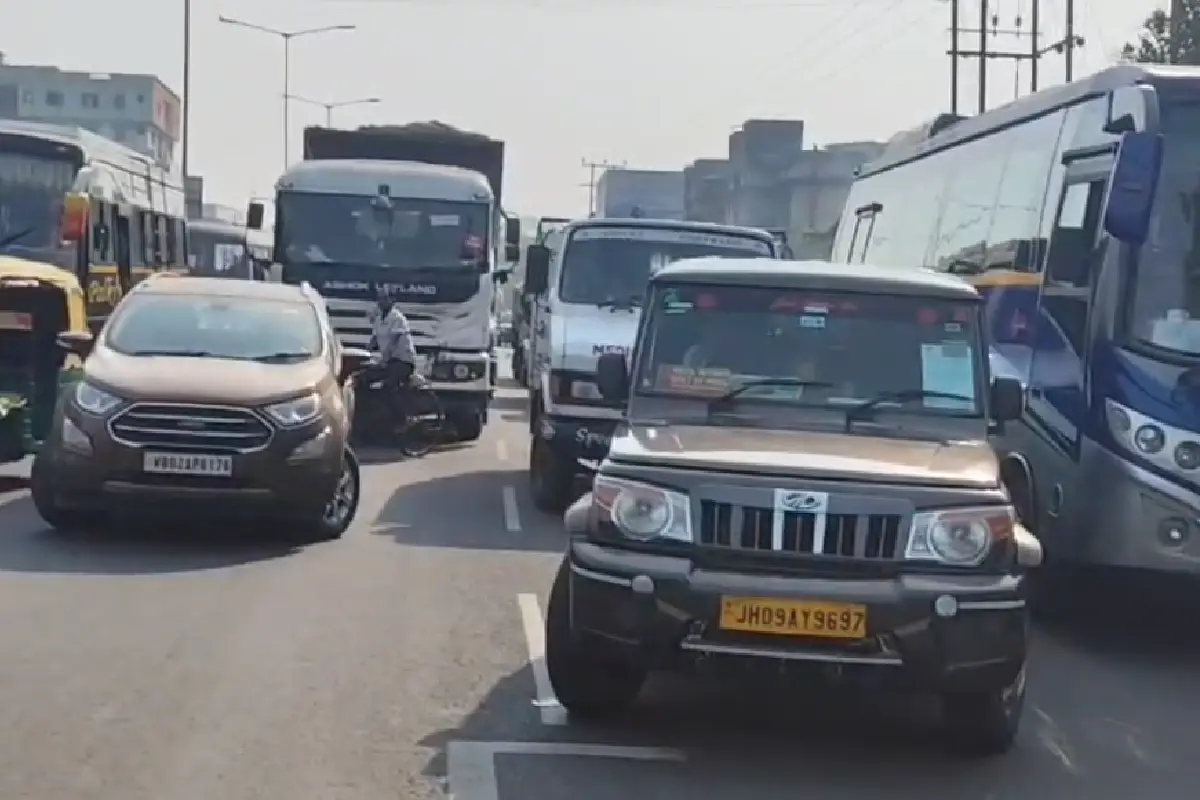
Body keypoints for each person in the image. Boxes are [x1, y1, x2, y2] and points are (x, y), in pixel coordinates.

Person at [369, 285, 419, 424]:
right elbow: (374, 342)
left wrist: (384, 359)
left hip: (402, 361)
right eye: (379, 299)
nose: (382, 302)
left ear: (392, 300)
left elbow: (393, 342)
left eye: (385, 299)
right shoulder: (379, 319)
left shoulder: (397, 318)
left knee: (388, 386)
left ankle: (402, 419)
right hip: (389, 361)